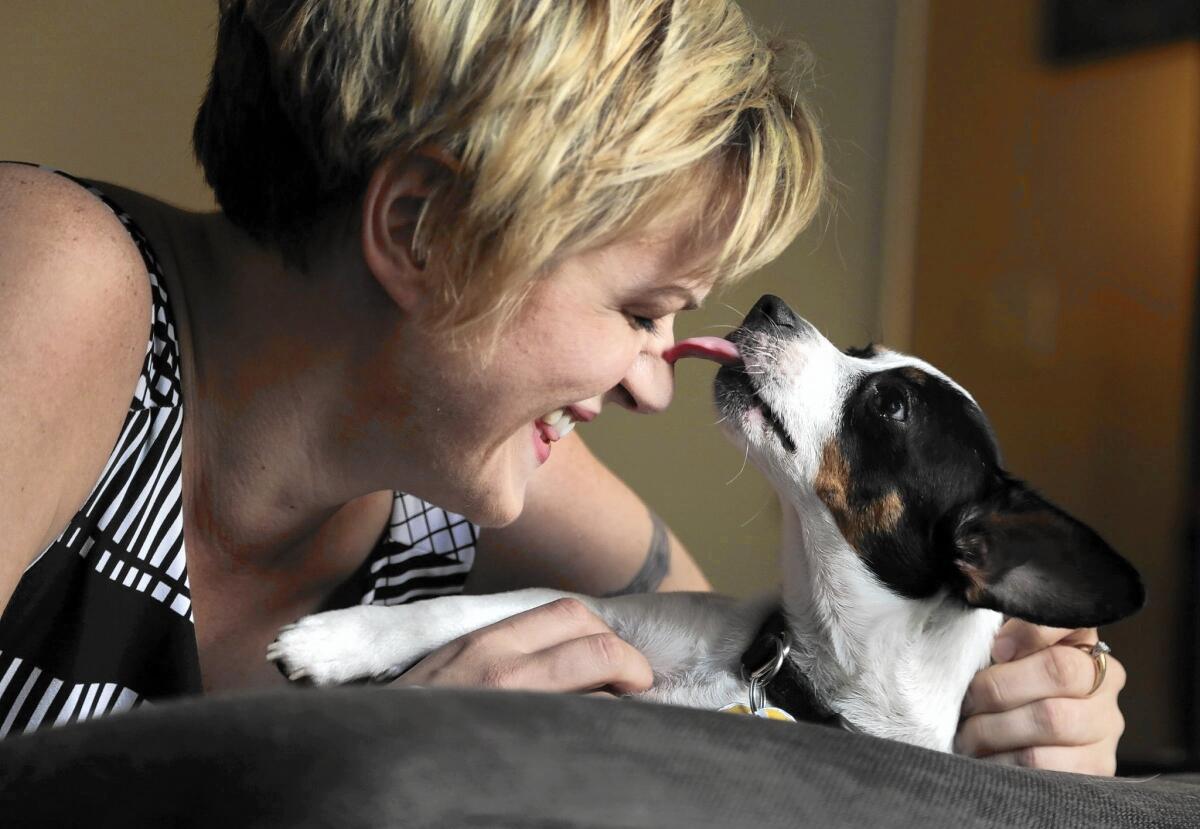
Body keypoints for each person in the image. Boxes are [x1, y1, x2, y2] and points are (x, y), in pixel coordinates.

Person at [0, 0, 1125, 775]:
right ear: (420, 229)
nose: (656, 383)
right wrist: (346, 772)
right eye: (641, 313)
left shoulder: (476, 479)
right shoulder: (51, 284)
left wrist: (1013, 714)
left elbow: (783, 676)